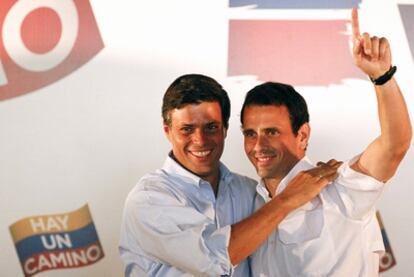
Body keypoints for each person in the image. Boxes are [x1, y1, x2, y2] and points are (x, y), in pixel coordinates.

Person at [240, 8, 412, 277]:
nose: (258, 145)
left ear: (303, 135)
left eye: (272, 132)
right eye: (250, 133)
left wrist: (382, 77)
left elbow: (395, 145)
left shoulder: (340, 188)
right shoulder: (246, 202)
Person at [119, 74, 342, 276]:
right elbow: (213, 259)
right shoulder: (148, 198)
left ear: (225, 129)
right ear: (168, 131)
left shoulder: (248, 190)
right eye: (187, 129)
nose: (200, 140)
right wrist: (287, 199)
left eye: (211, 127)